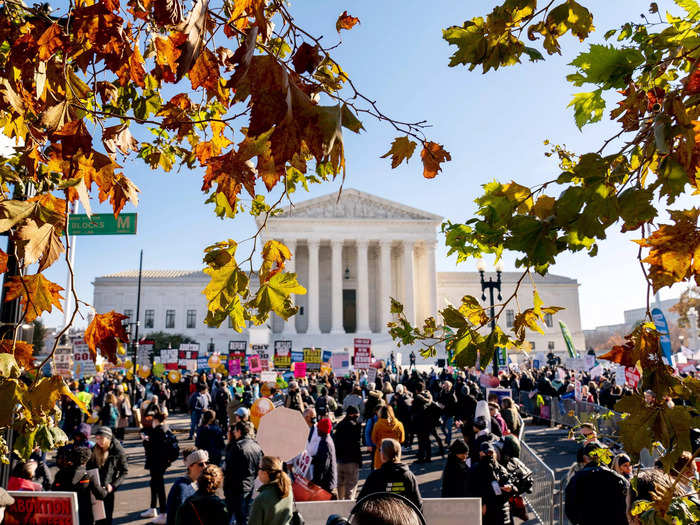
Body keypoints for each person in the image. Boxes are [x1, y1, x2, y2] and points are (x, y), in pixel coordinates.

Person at [565, 442, 628, 525]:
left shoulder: (576, 479)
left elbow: (570, 510)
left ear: (585, 458)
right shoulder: (618, 479)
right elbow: (626, 507)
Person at [357, 438, 422, 511]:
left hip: (381, 518)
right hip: (405, 518)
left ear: (383, 456)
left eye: (380, 450)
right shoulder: (408, 476)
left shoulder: (375, 476)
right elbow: (418, 504)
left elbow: (360, 501)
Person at [53, 447, 108, 525]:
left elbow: (53, 491)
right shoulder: (88, 476)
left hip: (65, 515)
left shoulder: (60, 474)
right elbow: (100, 495)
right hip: (84, 516)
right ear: (87, 460)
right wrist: (105, 489)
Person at [86, 426, 128, 525]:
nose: (99, 441)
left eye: (102, 438)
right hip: (94, 488)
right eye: (97, 439)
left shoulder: (117, 451)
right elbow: (88, 468)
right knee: (96, 519)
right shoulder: (94, 449)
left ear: (108, 438)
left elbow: (124, 472)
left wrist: (113, 485)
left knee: (107, 519)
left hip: (107, 490)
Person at [224, 420, 263, 524]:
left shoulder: (237, 446)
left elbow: (229, 470)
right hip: (249, 485)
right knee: (244, 515)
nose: (234, 433)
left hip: (235, 487)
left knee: (237, 516)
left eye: (235, 431)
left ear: (239, 431)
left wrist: (226, 488)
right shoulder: (257, 446)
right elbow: (258, 466)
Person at [164, 448, 208, 525]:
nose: (205, 467)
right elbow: (172, 517)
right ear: (190, 466)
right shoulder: (181, 487)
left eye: (206, 463)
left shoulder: (199, 482)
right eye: (200, 464)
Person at [471, 441, 512, 525]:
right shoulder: (476, 468)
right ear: (481, 453)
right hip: (488, 510)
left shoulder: (500, 468)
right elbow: (473, 489)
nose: (489, 454)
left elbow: (511, 486)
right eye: (487, 452)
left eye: (491, 452)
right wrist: (482, 503)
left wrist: (510, 487)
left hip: (502, 510)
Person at [248, 456, 294, 525]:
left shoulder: (261, 499)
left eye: (259, 468)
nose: (257, 471)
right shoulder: (288, 489)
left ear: (265, 472)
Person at [141, 413, 170, 521]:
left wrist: (145, 440)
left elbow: (151, 448)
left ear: (156, 420)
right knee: (154, 484)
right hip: (162, 462)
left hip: (156, 463)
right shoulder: (165, 428)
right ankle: (153, 508)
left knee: (159, 486)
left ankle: (163, 513)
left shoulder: (157, 430)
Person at [333, 405, 363, 499]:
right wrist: (360, 461)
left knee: (340, 485)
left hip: (340, 461)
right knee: (351, 486)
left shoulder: (340, 425)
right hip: (352, 461)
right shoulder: (354, 427)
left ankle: (339, 505)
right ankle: (347, 509)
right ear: (352, 414)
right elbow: (357, 444)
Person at [311, 417, 337, 496]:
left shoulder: (325, 443)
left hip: (326, 483)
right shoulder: (327, 439)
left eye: (318, 428)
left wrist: (315, 482)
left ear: (322, 429)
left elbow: (323, 465)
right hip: (329, 481)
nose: (317, 430)